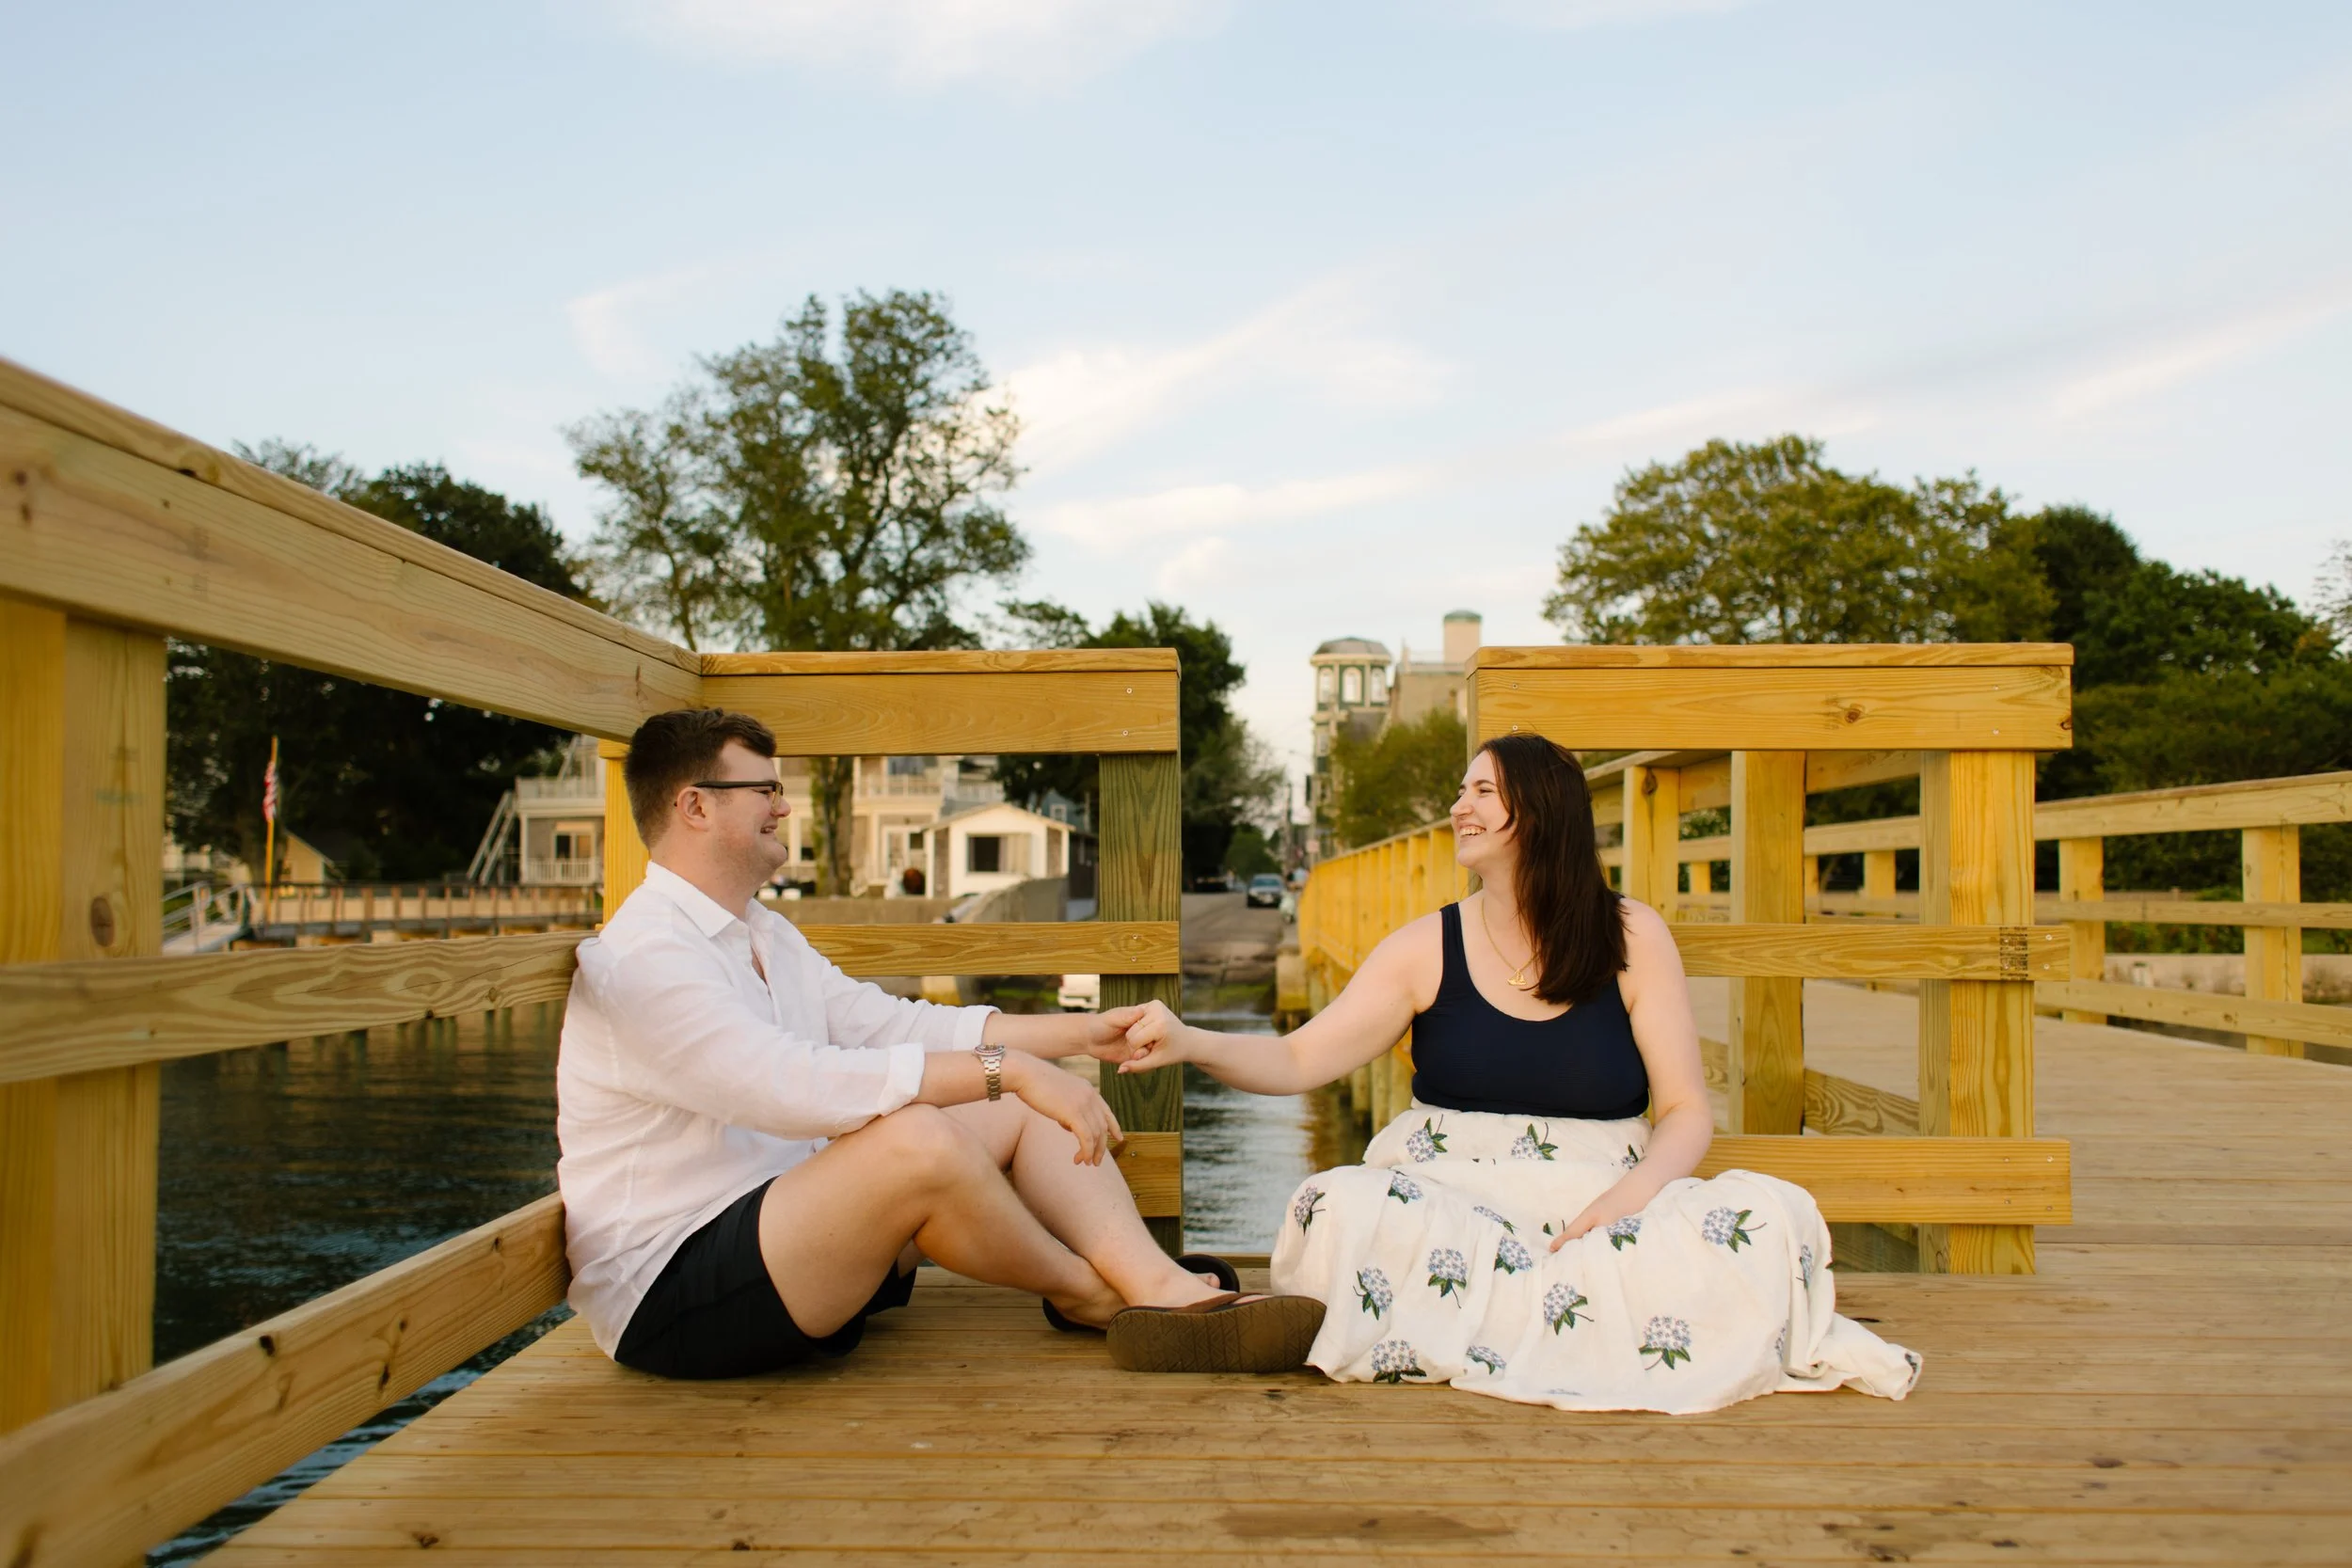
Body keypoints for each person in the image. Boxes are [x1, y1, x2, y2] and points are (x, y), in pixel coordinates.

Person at [1102, 734, 1920, 1414]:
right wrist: (1189, 1038)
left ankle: (1391, 1326)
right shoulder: (1425, 945)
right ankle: (1477, 1319)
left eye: (1483, 790)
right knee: (1336, 1203)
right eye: (1463, 789)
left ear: (1543, 809)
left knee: (1766, 1219)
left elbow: (1683, 1111)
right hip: (1451, 1194)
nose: (1460, 806)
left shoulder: (1632, 934)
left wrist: (1618, 1206)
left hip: (1601, 1193)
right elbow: (1299, 1055)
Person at [558, 708, 1323, 1380]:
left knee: (1019, 1111)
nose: (784, 805)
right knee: (920, 1136)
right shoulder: (645, 956)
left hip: (789, 1239)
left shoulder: (761, 933)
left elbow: (894, 1025)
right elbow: (790, 1087)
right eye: (764, 789)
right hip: (670, 1294)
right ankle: (1092, 1294)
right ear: (694, 805)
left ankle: (1155, 1286)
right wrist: (1008, 1070)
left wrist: (1075, 1034)